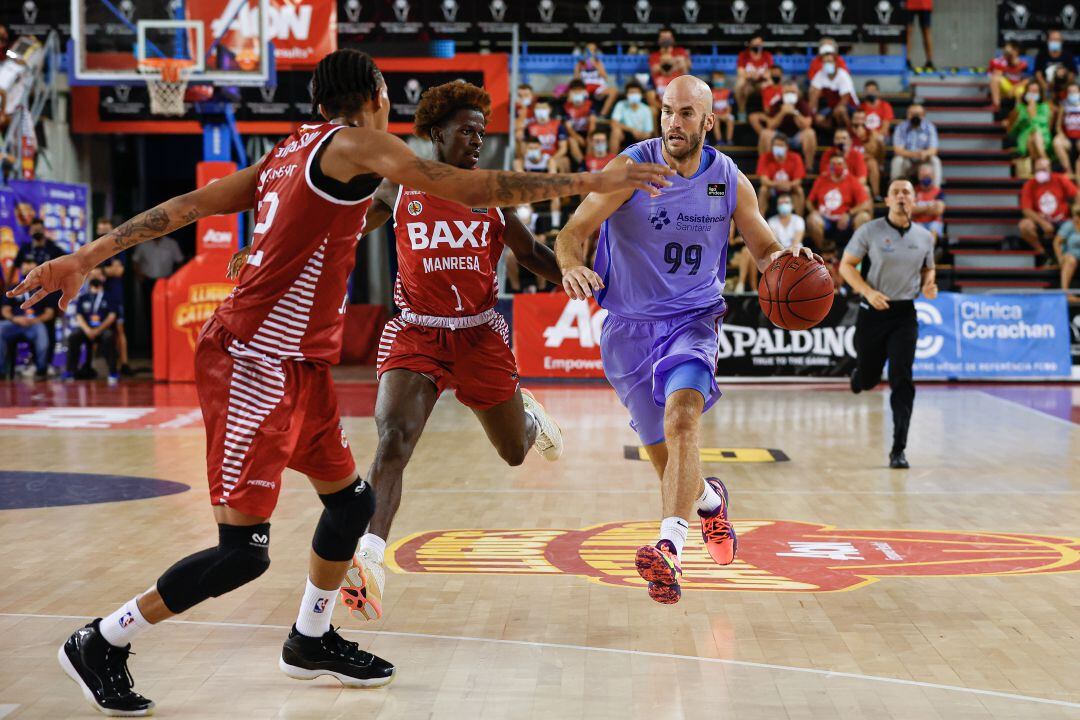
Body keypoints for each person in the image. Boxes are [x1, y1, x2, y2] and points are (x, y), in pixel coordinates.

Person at [9, 49, 671, 716]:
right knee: (243, 554)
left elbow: (188, 204)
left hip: (304, 365)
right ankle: (102, 640)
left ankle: (311, 638)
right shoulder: (356, 144)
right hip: (253, 361)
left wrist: (90, 253)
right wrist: (595, 175)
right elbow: (467, 188)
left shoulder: (288, 152)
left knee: (351, 505)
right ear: (377, 95)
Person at [554, 75, 814, 605]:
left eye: (686, 114)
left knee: (682, 420)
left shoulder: (727, 180)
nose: (674, 122)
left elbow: (763, 248)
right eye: (668, 111)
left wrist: (788, 260)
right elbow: (571, 232)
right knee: (667, 459)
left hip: (693, 320)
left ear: (708, 121)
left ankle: (669, 547)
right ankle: (709, 503)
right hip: (627, 331)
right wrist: (570, 267)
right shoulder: (630, 170)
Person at [841, 179, 937, 470]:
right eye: (895, 192)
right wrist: (868, 292)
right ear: (887, 199)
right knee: (869, 380)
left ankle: (899, 449)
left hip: (904, 314)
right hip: (873, 312)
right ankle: (861, 377)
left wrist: (929, 284)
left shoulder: (925, 237)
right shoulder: (870, 231)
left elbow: (928, 268)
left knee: (902, 378)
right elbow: (846, 265)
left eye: (906, 193)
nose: (900, 197)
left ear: (914, 200)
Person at [737, 193, 805, 293]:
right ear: (777, 206)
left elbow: (796, 242)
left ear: (792, 205)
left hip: (794, 254)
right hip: (778, 253)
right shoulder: (772, 221)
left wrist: (786, 253)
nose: (784, 205)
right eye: (781, 203)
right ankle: (752, 289)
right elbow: (773, 244)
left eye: (786, 202)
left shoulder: (798, 220)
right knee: (747, 252)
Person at [0, 259, 53, 380]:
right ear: (21, 269)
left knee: (41, 331)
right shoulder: (13, 288)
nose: (28, 267)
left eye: (31, 265)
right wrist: (15, 318)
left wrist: (33, 321)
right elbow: (5, 310)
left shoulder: (45, 289)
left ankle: (41, 370)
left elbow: (49, 313)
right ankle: (1, 371)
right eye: (26, 264)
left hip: (34, 324)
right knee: (1, 328)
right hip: (15, 324)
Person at [65, 266, 119, 384]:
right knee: (74, 336)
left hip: (102, 329)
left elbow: (112, 316)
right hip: (87, 329)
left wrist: (98, 330)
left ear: (103, 278)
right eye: (92, 275)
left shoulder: (109, 296)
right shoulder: (83, 297)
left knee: (109, 336)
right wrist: (88, 330)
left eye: (98, 275)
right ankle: (70, 371)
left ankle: (113, 372)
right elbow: (79, 316)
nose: (94, 277)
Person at [807, 154, 872, 250]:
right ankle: (823, 252)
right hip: (825, 218)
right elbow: (809, 201)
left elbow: (865, 204)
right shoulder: (821, 179)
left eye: (839, 163)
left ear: (845, 165)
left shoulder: (852, 180)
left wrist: (849, 213)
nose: (836, 166)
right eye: (833, 164)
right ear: (829, 166)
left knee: (864, 217)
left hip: (846, 219)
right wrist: (814, 211)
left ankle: (857, 253)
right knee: (812, 219)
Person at [1019, 157, 1078, 261]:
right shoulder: (1029, 185)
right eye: (1038, 170)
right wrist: (1042, 223)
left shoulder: (1060, 179)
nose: (1041, 173)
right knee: (1024, 226)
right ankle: (1043, 253)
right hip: (1041, 220)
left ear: (1050, 169)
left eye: (1044, 169)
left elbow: (1077, 194)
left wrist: (1077, 214)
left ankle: (1066, 257)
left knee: (1072, 227)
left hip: (1062, 220)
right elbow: (1026, 209)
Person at [96, 216, 132, 375]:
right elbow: (88, 274)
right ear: (97, 228)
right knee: (94, 327)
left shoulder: (118, 247)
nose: (103, 227)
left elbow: (119, 271)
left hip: (114, 295)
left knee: (119, 329)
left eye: (106, 224)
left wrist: (101, 272)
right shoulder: (91, 248)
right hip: (96, 295)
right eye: (101, 224)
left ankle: (124, 363)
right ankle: (91, 365)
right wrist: (107, 271)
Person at [758, 81, 817, 169]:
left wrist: (795, 113)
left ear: (798, 93)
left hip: (796, 137)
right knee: (765, 134)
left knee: (810, 133)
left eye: (792, 92)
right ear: (782, 93)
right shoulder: (777, 104)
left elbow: (807, 124)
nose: (790, 94)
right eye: (787, 92)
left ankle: (809, 167)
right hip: (779, 136)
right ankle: (765, 168)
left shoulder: (802, 104)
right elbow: (770, 125)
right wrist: (782, 113)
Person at [891, 103, 942, 187]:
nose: (915, 117)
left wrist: (925, 153)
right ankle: (895, 189)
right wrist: (916, 154)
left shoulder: (930, 127)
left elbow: (933, 150)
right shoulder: (900, 127)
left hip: (923, 160)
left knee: (935, 160)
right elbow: (898, 150)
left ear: (923, 115)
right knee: (897, 160)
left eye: (917, 114)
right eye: (912, 114)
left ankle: (935, 192)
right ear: (907, 115)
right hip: (907, 161)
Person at [755, 134, 806, 215]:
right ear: (772, 147)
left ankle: (799, 220)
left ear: (787, 147)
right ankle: (761, 220)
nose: (778, 147)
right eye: (776, 145)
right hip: (772, 188)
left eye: (781, 145)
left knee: (799, 190)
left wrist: (788, 185)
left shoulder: (796, 157)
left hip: (789, 187)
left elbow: (798, 181)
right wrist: (777, 184)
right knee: (763, 190)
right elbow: (764, 181)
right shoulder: (765, 157)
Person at [809, 52, 858, 131]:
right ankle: (834, 135)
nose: (827, 64)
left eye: (830, 62)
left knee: (840, 111)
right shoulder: (820, 74)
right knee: (818, 118)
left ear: (836, 63)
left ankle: (850, 133)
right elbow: (813, 94)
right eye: (825, 62)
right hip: (830, 107)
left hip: (849, 106)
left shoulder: (843, 75)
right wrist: (812, 112)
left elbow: (845, 100)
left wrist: (832, 114)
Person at [1006, 83, 1053, 161]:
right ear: (1025, 93)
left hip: (1043, 137)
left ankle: (1041, 161)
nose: (1032, 94)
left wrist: (1032, 115)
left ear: (1040, 94)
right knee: (1031, 137)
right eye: (1030, 91)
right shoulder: (1019, 108)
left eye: (1035, 91)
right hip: (1024, 138)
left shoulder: (1044, 107)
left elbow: (1043, 126)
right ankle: (1044, 161)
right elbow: (1013, 130)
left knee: (1035, 135)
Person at [647, 28, 691, 108]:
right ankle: (665, 110)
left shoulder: (680, 51)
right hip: (660, 86)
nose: (665, 40)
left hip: (678, 86)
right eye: (663, 38)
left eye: (668, 37)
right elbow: (655, 69)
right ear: (659, 40)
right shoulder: (654, 55)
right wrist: (675, 62)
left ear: (673, 39)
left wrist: (666, 63)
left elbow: (686, 66)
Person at [734, 36, 773, 119]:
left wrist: (761, 75)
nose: (758, 46)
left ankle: (769, 112)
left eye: (760, 44)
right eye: (755, 44)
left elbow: (770, 73)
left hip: (761, 83)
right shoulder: (743, 55)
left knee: (770, 82)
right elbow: (740, 73)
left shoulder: (767, 55)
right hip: (749, 83)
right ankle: (742, 111)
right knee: (739, 83)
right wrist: (751, 75)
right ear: (750, 44)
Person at [574, 43, 617, 117]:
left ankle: (603, 115)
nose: (590, 51)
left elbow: (605, 77)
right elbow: (576, 79)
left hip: (598, 87)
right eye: (589, 49)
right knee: (575, 93)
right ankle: (579, 116)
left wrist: (596, 66)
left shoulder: (598, 63)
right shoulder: (579, 64)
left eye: (593, 49)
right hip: (585, 87)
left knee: (613, 91)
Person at [610, 81, 655, 150]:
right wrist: (632, 130)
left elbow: (648, 132)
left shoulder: (646, 109)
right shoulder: (621, 104)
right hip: (626, 134)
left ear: (641, 95)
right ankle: (612, 159)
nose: (633, 95)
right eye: (631, 92)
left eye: (636, 92)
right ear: (627, 95)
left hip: (640, 137)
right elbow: (614, 123)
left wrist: (641, 135)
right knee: (616, 131)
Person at [562, 79, 598, 166]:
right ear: (570, 93)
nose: (577, 94)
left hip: (588, 131)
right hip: (574, 134)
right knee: (571, 140)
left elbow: (592, 123)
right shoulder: (566, 107)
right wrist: (577, 137)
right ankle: (583, 165)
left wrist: (589, 137)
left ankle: (590, 162)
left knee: (592, 139)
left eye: (580, 91)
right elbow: (568, 127)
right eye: (574, 91)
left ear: (584, 92)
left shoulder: (590, 104)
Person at [849, 110, 884, 198]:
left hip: (865, 161)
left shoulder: (872, 134)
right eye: (856, 119)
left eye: (862, 119)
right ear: (852, 120)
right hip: (850, 162)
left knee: (873, 164)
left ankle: (876, 194)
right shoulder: (846, 133)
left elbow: (873, 153)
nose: (859, 121)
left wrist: (863, 138)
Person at [1034, 29, 1076, 100]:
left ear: (1061, 41)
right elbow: (1038, 73)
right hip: (1046, 85)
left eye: (1057, 40)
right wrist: (1044, 85)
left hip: (1064, 85)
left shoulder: (1068, 55)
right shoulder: (1041, 55)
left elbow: (1072, 73)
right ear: (1048, 41)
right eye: (1052, 39)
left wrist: (1064, 86)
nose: (1055, 41)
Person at [989, 41, 1029, 112]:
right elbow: (996, 74)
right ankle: (996, 105)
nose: (1007, 51)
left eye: (1010, 50)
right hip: (1007, 86)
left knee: (1020, 92)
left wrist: (1013, 89)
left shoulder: (1024, 64)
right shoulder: (1002, 61)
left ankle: (1017, 113)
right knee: (995, 78)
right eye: (1006, 50)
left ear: (1016, 51)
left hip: (1017, 87)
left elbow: (1026, 81)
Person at [911, 162, 946, 242]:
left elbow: (939, 210)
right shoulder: (914, 191)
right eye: (923, 176)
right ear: (919, 177)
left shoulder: (938, 192)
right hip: (918, 223)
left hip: (934, 222)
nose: (925, 178)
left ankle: (930, 252)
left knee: (933, 232)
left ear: (933, 176)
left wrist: (919, 209)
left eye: (928, 176)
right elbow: (910, 210)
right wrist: (929, 207)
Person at [1053, 83, 1080, 180]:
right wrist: (1061, 135)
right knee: (1057, 142)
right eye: (1070, 92)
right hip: (1068, 138)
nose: (1072, 94)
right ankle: (1069, 171)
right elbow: (1058, 125)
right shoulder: (1064, 106)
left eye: (1075, 91)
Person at [1053, 205, 1080, 289]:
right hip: (1070, 255)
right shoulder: (1068, 226)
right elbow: (1056, 243)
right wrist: (1060, 259)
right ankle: (1065, 293)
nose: (1077, 217)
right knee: (1070, 260)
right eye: (1076, 215)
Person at [906, 0, 935, 70]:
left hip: (924, 3)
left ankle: (929, 61)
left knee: (926, 31)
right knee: (908, 31)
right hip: (909, 3)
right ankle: (907, 60)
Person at [709, 71, 735, 145]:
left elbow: (730, 106)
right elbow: (711, 107)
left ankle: (729, 140)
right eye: (716, 79)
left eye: (720, 79)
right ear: (713, 81)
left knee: (730, 120)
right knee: (715, 121)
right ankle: (719, 140)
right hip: (715, 114)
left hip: (726, 114)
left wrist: (726, 114)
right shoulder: (711, 92)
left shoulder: (728, 92)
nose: (718, 81)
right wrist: (717, 115)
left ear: (724, 80)